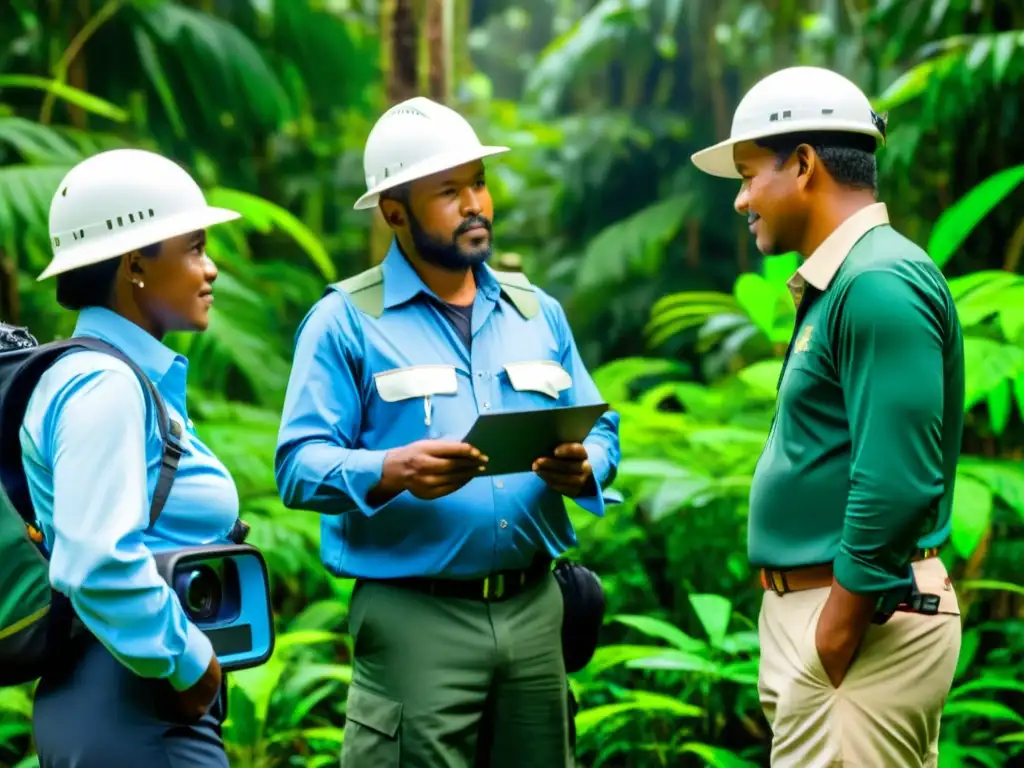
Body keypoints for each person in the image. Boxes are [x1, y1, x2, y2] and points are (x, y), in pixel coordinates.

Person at [275, 96, 621, 768]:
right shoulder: (345, 321)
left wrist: (588, 467)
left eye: (479, 184)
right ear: (394, 211)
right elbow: (297, 465)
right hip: (415, 617)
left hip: (534, 608)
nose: (475, 205)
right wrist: (391, 469)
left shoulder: (535, 311)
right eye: (448, 191)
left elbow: (602, 427)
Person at [690, 65, 966, 767]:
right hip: (835, 623)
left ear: (805, 165)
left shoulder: (875, 283)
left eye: (750, 174)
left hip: (857, 627)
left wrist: (834, 637)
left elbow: (897, 481)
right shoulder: (846, 278)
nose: (741, 199)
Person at [20, 148, 245, 767]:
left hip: (125, 693)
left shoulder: (118, 378)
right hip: (133, 699)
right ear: (135, 264)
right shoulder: (104, 386)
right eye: (195, 248)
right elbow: (96, 558)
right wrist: (189, 662)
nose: (212, 269)